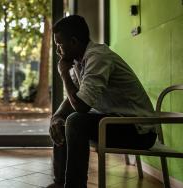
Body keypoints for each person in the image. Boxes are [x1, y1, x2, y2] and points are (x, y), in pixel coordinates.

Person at [48, 15, 157, 188]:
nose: (58, 51)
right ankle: (60, 183)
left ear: (74, 42)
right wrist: (57, 116)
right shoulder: (80, 62)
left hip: (139, 131)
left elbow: (82, 106)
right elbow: (73, 99)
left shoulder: (98, 57)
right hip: (115, 121)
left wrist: (63, 74)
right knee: (62, 122)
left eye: (60, 45)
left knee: (76, 121)